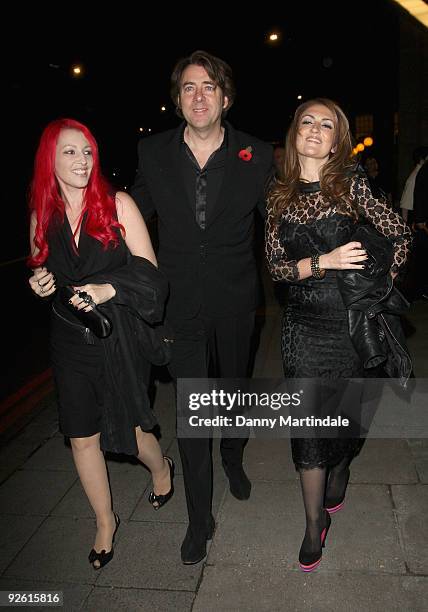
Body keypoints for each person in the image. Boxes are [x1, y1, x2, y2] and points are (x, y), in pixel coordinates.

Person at [131, 50, 273, 564]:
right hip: (180, 304)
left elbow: (281, 222)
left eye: (209, 87)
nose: (199, 96)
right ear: (177, 100)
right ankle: (198, 518)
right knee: (193, 413)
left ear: (225, 98)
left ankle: (233, 455)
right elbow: (128, 217)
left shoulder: (256, 154)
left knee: (232, 392)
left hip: (236, 300)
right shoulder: (153, 153)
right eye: (189, 87)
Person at [266, 98, 411, 572]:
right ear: (295, 133)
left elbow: (401, 234)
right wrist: (321, 263)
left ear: (336, 140)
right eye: (306, 120)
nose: (314, 129)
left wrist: (379, 285)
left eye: (326, 125)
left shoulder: (351, 185)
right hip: (303, 327)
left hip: (352, 326)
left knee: (348, 422)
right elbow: (276, 268)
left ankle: (342, 464)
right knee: (307, 427)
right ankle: (313, 526)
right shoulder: (277, 194)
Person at [28, 118, 175, 570]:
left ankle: (161, 468)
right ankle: (105, 520)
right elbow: (41, 270)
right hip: (69, 338)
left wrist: (109, 288)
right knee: (81, 437)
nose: (82, 160)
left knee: (131, 431)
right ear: (50, 159)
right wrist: (40, 281)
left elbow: (153, 280)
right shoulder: (41, 215)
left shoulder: (118, 205)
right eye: (70, 152)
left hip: (117, 337)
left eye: (87, 151)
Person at [400, 146, 428, 223]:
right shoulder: (415, 176)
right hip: (418, 221)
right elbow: (405, 204)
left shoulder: (421, 174)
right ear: (422, 160)